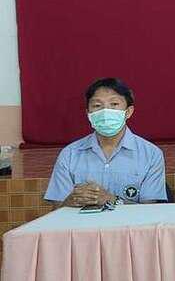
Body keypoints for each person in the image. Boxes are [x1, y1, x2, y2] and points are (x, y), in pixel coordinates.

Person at [44, 78, 167, 206]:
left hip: (130, 220)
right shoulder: (69, 154)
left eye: (114, 104)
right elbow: (57, 209)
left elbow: (149, 210)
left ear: (128, 112)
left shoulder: (151, 154)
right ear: (88, 114)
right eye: (97, 106)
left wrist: (111, 200)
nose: (105, 112)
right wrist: (70, 201)